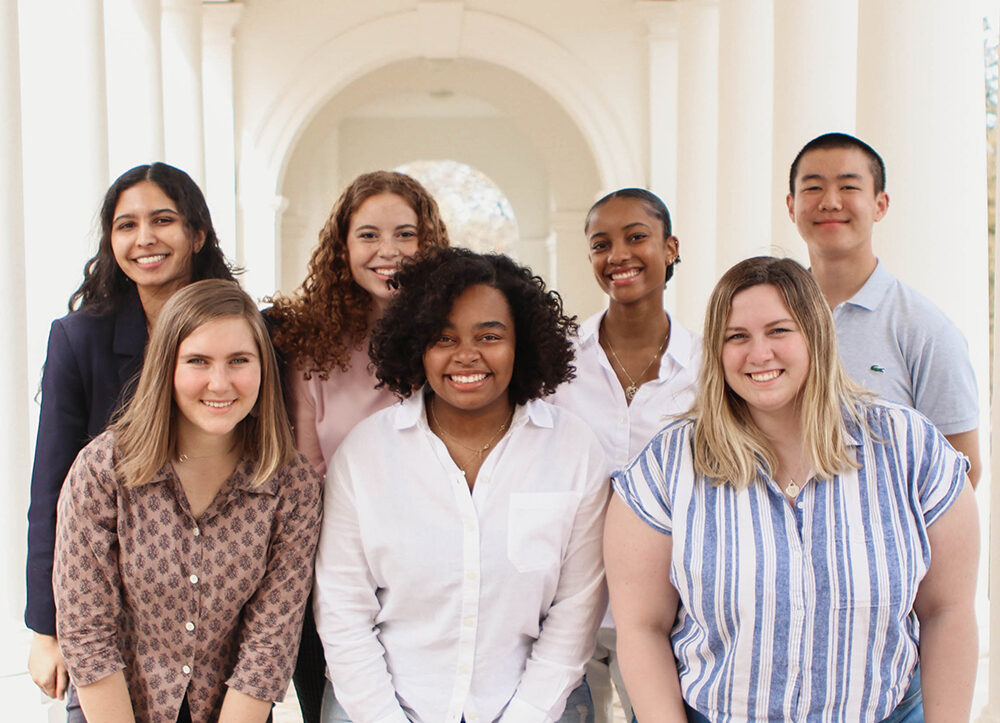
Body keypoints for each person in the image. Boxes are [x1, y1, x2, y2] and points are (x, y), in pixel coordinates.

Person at [605, 256, 978, 721]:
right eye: (736, 336)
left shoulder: (911, 449)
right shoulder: (666, 466)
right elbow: (642, 627)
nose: (759, 354)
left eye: (779, 331)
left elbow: (949, 611)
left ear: (816, 335)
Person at [314, 247, 609, 722]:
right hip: (378, 705)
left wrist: (525, 715)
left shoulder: (573, 450)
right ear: (417, 346)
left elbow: (577, 607)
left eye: (489, 335)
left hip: (539, 703)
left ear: (522, 344)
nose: (466, 355)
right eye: (443, 338)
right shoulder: (366, 454)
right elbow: (343, 610)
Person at [53, 279, 322, 723]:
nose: (220, 383)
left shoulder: (291, 487)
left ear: (262, 369)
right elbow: (87, 633)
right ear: (168, 368)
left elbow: (269, 646)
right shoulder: (103, 471)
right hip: (113, 705)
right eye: (198, 361)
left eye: (239, 360)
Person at [25, 163, 237, 717]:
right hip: (106, 605)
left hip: (215, 609)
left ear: (197, 234)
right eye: (126, 225)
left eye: (162, 220)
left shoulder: (242, 331)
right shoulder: (78, 339)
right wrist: (45, 629)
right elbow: (51, 485)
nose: (144, 238)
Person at [266, 170, 449, 722]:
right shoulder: (309, 347)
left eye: (405, 234)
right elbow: (304, 474)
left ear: (429, 244)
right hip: (336, 571)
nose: (387, 251)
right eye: (368, 235)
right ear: (343, 247)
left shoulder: (448, 340)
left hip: (436, 571)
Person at [550, 188, 700, 722]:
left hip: (673, 611)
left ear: (671, 247)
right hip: (568, 605)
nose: (618, 255)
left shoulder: (707, 368)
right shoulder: (557, 360)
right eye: (601, 243)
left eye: (636, 237)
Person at [786, 132, 980, 486]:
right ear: (791, 205)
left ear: (880, 205)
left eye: (848, 187)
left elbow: (961, 474)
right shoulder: (769, 318)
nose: (830, 202)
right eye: (813, 188)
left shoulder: (926, 330)